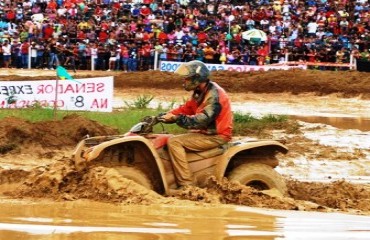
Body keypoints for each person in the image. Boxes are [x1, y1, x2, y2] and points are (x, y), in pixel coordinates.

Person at [159, 60, 233, 191]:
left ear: (197, 78)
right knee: (166, 139)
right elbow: (186, 109)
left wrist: (176, 118)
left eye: (187, 78)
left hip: (217, 135)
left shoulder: (214, 96)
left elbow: (201, 120)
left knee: (174, 141)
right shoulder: (200, 92)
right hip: (205, 132)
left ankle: (187, 185)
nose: (184, 80)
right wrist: (165, 115)